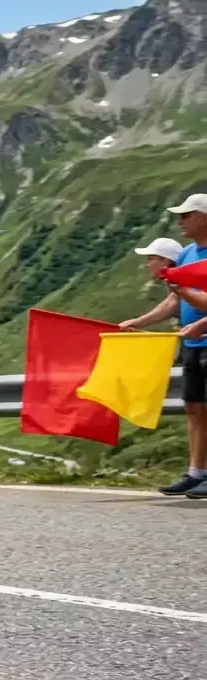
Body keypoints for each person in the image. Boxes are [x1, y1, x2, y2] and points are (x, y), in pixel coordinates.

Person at [122, 195, 207, 498]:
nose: (179, 222)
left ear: (203, 217)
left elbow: (185, 293)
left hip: (204, 338)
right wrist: (139, 321)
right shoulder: (186, 254)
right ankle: (196, 473)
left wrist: (200, 321)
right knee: (194, 409)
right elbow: (174, 300)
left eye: (186, 215)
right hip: (192, 342)